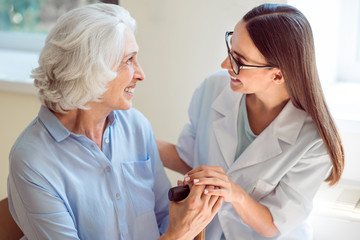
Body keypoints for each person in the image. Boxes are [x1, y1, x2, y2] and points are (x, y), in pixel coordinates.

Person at [7, 3, 222, 240]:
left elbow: (162, 216)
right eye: (129, 60)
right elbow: (172, 232)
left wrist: (187, 217)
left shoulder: (136, 125)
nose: (141, 74)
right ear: (90, 68)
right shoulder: (33, 160)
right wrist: (178, 234)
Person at [157, 3, 345, 240]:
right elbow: (189, 158)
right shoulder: (213, 89)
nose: (225, 65)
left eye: (239, 60)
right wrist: (132, 127)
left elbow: (273, 226)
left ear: (277, 74)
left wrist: (233, 192)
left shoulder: (313, 141)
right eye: (230, 49)